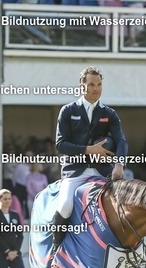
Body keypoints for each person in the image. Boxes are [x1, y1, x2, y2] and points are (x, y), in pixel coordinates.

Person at [53, 66, 127, 249]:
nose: (96, 88)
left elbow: (121, 141)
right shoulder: (68, 111)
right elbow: (60, 144)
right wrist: (88, 150)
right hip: (75, 171)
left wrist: (119, 164)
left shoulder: (109, 113)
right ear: (82, 86)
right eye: (92, 84)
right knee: (65, 206)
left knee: (123, 206)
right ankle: (57, 247)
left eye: (99, 84)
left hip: (103, 171)